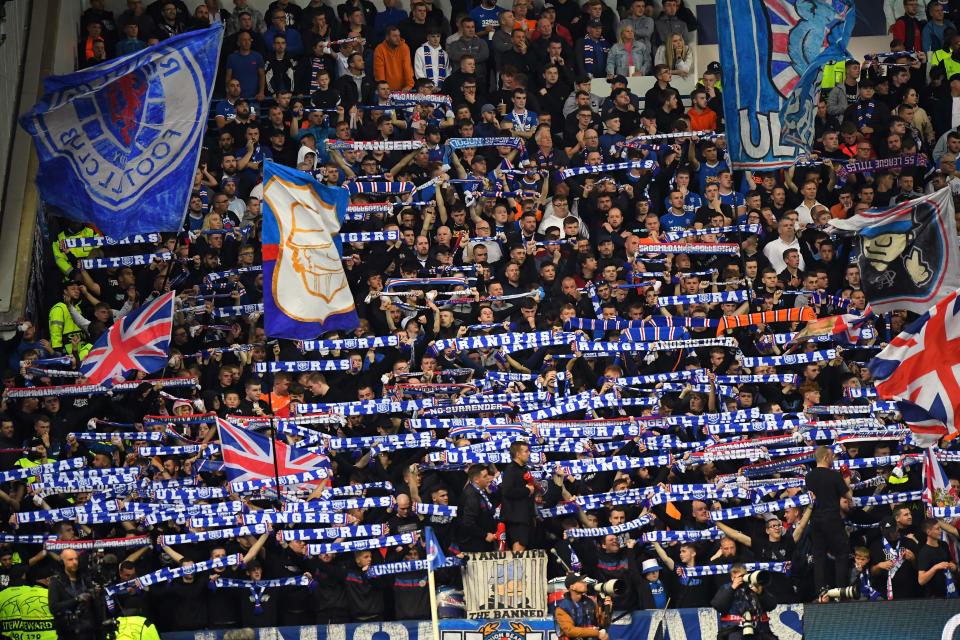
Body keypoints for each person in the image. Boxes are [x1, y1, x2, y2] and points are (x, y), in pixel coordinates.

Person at [805, 445, 853, 596]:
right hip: (832, 519)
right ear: (826, 457)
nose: (833, 459)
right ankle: (840, 592)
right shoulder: (833, 475)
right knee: (841, 553)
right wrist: (847, 478)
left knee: (819, 556)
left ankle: (821, 593)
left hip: (815, 520)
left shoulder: (809, 476)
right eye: (832, 456)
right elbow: (848, 496)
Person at [711, 564, 778, 640]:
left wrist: (761, 593)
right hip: (733, 629)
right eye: (739, 576)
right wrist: (732, 589)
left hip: (759, 628)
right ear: (732, 577)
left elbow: (772, 606)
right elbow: (718, 606)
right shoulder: (726, 588)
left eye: (744, 575)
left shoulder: (754, 586)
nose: (742, 579)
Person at [48, 549, 96, 640]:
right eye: (70, 560)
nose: (75, 562)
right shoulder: (56, 581)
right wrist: (76, 600)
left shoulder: (84, 579)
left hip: (87, 631)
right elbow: (53, 607)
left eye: (76, 559)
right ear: (62, 562)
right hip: (67, 632)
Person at [499, 440, 538, 552]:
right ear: (518, 454)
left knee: (524, 545)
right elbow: (507, 491)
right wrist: (526, 490)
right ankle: (517, 569)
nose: (529, 453)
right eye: (526, 451)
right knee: (519, 547)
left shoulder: (523, 469)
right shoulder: (511, 469)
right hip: (516, 518)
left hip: (524, 516)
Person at [553, 573, 611, 640]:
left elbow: (601, 625)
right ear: (572, 587)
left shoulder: (590, 602)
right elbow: (570, 631)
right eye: (581, 582)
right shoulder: (562, 608)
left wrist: (608, 610)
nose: (585, 583)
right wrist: (596, 633)